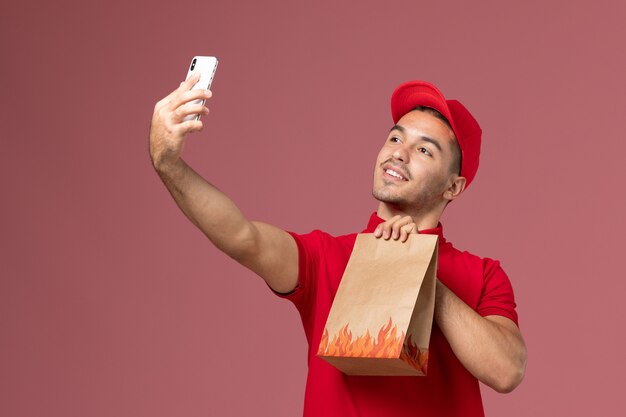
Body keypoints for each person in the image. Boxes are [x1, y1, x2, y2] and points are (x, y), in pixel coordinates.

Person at [149, 75, 527, 417]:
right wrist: (168, 164)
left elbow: (506, 370)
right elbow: (241, 236)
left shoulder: (482, 274)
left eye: (425, 150)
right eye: (396, 137)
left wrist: (419, 271)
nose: (398, 152)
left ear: (453, 187)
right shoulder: (326, 257)